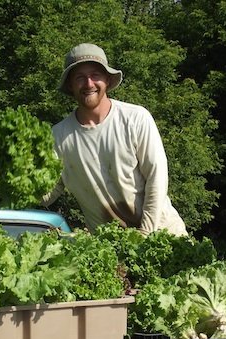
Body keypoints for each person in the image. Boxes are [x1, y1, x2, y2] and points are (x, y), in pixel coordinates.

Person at [41, 43, 187, 236]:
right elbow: (47, 195)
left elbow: (157, 177)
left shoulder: (135, 118)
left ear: (108, 80)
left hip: (162, 233)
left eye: (95, 75)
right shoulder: (58, 136)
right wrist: (8, 173)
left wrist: (145, 233)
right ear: (70, 85)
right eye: (80, 78)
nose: (89, 83)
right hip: (109, 246)